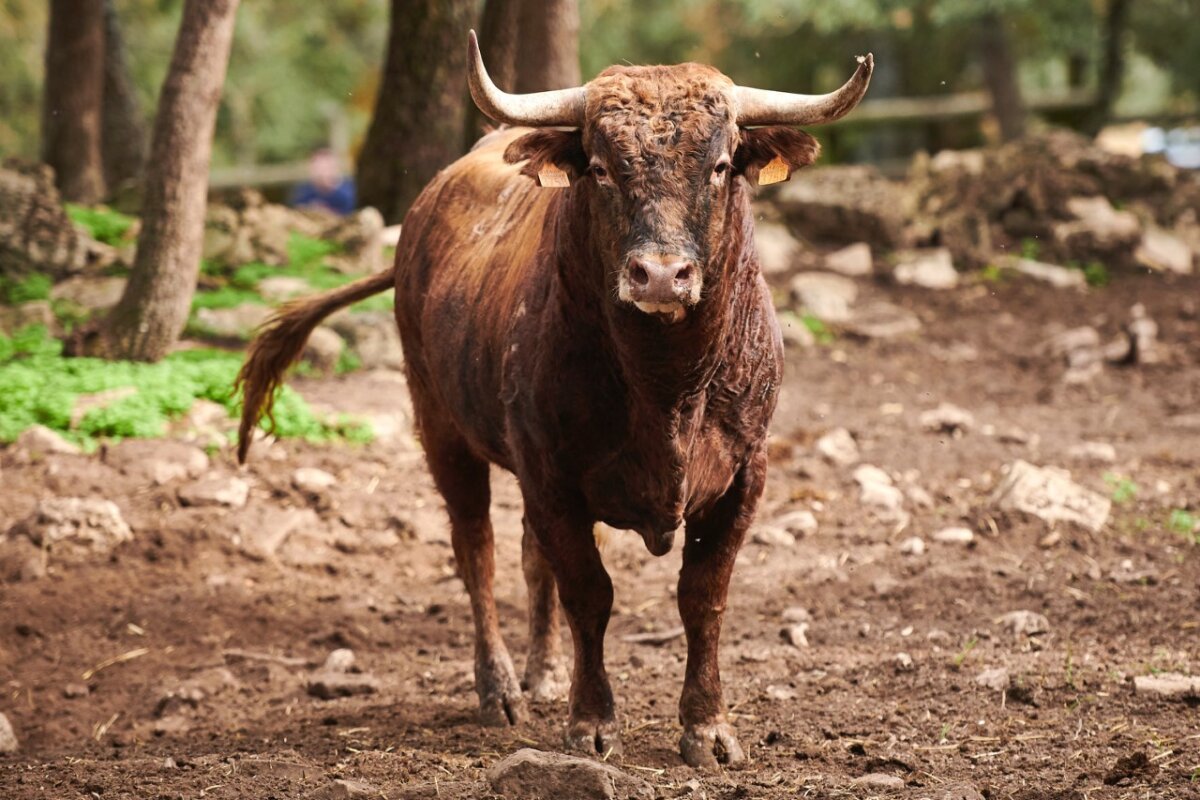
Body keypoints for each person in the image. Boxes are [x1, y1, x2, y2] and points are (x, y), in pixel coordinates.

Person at [290, 148, 356, 215]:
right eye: (318, 168)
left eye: (326, 168)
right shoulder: (304, 193)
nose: (322, 173)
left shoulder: (350, 191)